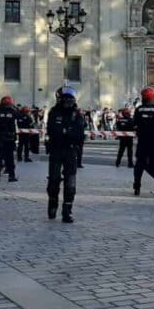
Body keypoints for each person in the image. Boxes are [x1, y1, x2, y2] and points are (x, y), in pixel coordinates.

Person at [46, 87, 86, 223]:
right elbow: (52, 131)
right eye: (65, 98)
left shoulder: (77, 114)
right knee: (54, 180)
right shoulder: (54, 112)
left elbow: (80, 135)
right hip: (56, 150)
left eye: (70, 98)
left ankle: (67, 211)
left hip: (70, 151)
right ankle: (52, 204)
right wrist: (67, 132)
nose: (68, 101)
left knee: (70, 183)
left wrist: (65, 132)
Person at [133, 87, 154, 197]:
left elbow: (134, 124)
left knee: (139, 164)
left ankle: (137, 187)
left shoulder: (138, 109)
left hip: (142, 142)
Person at [0, 96, 21, 183]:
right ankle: (11, 176)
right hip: (10, 137)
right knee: (10, 157)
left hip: (0, 137)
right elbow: (20, 116)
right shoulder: (13, 111)